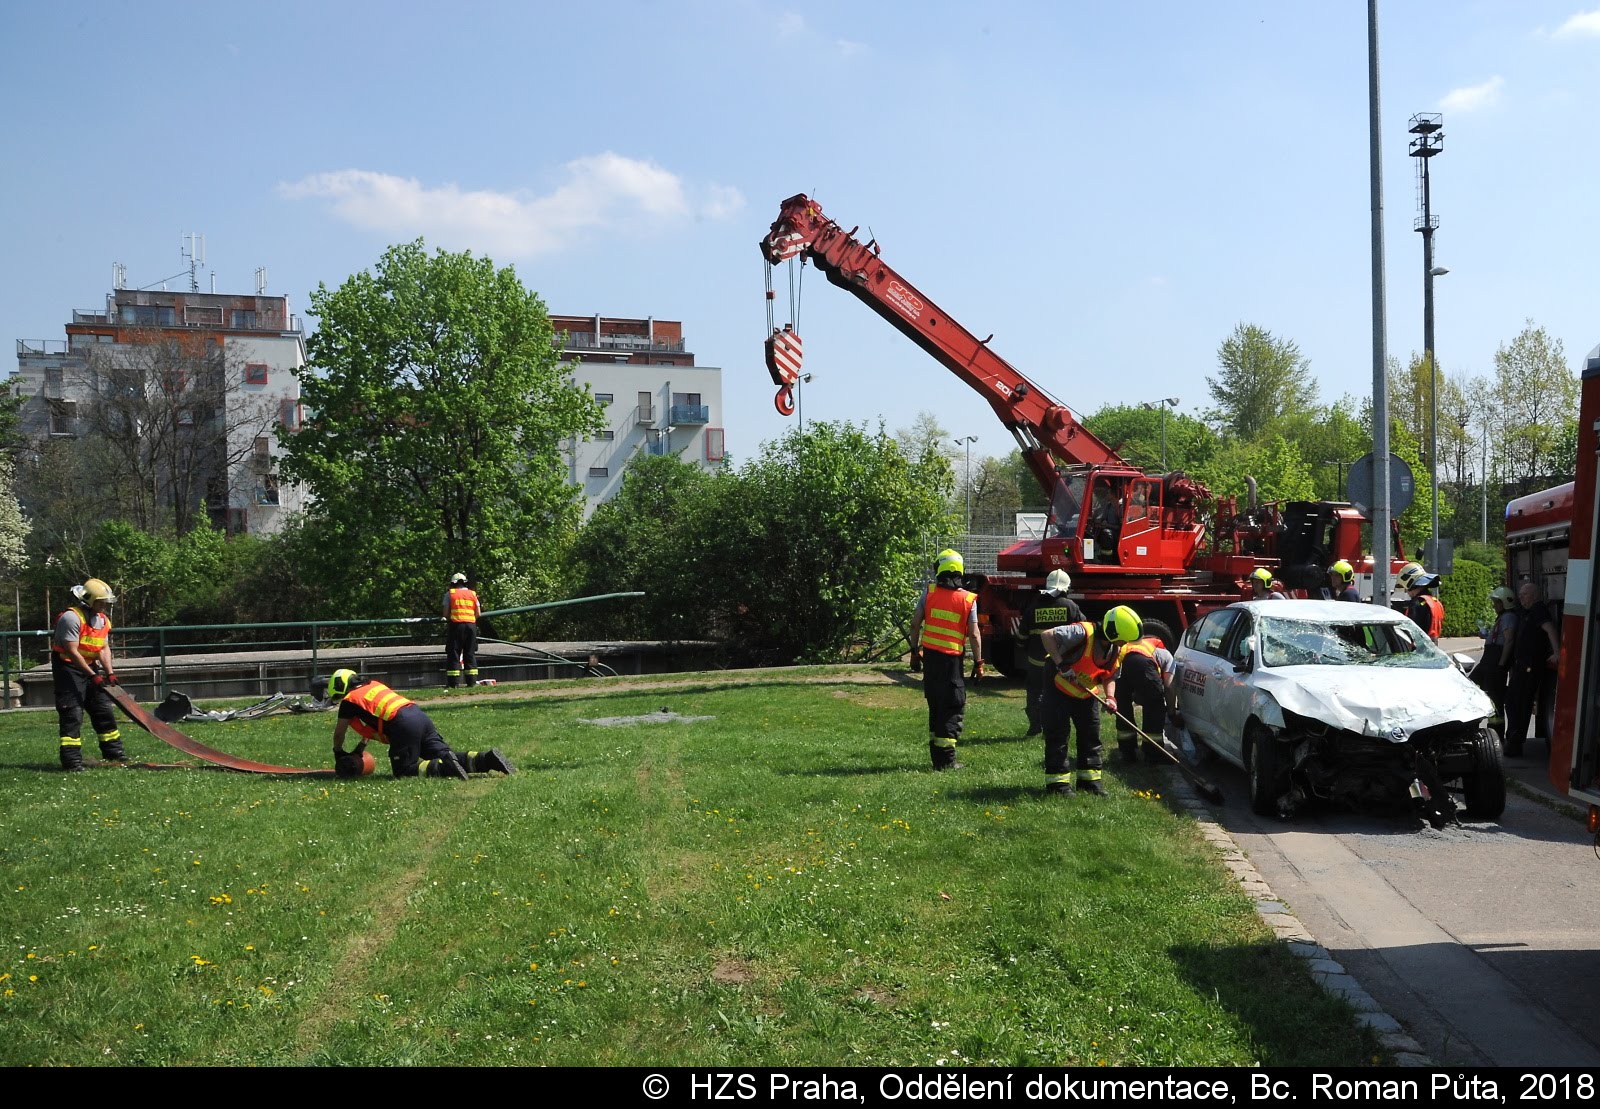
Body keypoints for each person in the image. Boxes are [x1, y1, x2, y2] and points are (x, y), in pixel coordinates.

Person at [325, 668, 514, 779]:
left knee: (403, 770)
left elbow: (339, 733)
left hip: (402, 724)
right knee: (446, 755)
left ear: (340, 687)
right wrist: (360, 748)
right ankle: (486, 759)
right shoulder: (373, 685)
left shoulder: (350, 700)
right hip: (418, 715)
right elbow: (372, 723)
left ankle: (445, 769)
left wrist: (338, 751)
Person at [1038, 605, 1141, 796]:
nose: (1124, 643)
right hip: (1058, 688)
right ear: (1112, 632)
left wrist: (1110, 698)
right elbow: (1047, 635)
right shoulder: (1082, 632)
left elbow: (1109, 676)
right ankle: (1058, 786)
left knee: (1091, 736)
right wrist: (1061, 664)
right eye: (1123, 639)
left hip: (1086, 694)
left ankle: (1090, 782)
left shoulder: (1117, 649)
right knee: (1058, 735)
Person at [908, 549, 982, 770]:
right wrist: (979, 663)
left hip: (930, 660)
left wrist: (914, 651)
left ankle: (937, 758)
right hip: (952, 662)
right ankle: (947, 762)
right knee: (952, 706)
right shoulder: (968, 599)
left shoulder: (929, 592)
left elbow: (915, 624)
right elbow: (974, 634)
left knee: (936, 705)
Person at [51, 577, 127, 771]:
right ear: (90, 600)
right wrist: (92, 675)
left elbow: (103, 648)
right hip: (68, 668)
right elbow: (72, 651)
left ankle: (114, 753)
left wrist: (109, 673)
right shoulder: (71, 618)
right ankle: (72, 761)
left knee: (103, 709)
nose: (104, 606)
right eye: (101, 602)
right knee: (72, 713)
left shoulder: (103, 620)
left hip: (90, 667)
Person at [1017, 569, 1083, 738]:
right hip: (1061, 663)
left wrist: (1024, 649)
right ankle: (1057, 727)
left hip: (1036, 662)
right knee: (1059, 695)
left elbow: (1021, 636)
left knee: (1034, 693)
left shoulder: (1033, 607)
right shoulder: (1071, 607)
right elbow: (1084, 632)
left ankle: (1035, 726)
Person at [1504, 581, 1561, 758]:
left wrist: (1557, 653)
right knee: (1514, 701)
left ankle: (1515, 741)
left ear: (1535, 595)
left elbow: (1550, 630)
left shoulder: (1538, 610)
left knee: (1520, 702)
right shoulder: (1528, 612)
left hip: (1530, 665)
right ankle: (1514, 739)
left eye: (1525, 595)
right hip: (1522, 665)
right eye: (1520, 596)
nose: (1521, 599)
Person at [1113, 630, 1176, 763]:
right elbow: (1169, 686)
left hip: (1120, 663)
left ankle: (1127, 753)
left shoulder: (1128, 646)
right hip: (1143, 664)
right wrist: (1171, 712)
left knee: (1123, 707)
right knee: (1154, 706)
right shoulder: (1166, 654)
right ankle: (1153, 754)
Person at [1469, 585, 1517, 735]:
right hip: (1488, 663)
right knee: (1471, 686)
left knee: (1495, 699)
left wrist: (1501, 665)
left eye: (1497, 602)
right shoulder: (1503, 617)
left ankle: (1496, 733)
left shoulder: (1508, 617)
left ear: (1505, 602)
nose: (1494, 605)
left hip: (1494, 664)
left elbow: (1509, 640)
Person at [442, 571, 481, 688]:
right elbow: (478, 613)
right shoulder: (472, 594)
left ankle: (453, 683)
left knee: (454, 653)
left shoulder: (450, 594)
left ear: (452, 583)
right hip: (471, 626)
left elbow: (445, 613)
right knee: (470, 653)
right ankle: (472, 682)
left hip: (456, 626)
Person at [1399, 563, 1444, 641]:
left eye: (1406, 589)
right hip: (1433, 645)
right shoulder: (1435, 601)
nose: (1406, 591)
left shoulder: (1417, 604)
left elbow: (1411, 631)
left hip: (1419, 646)